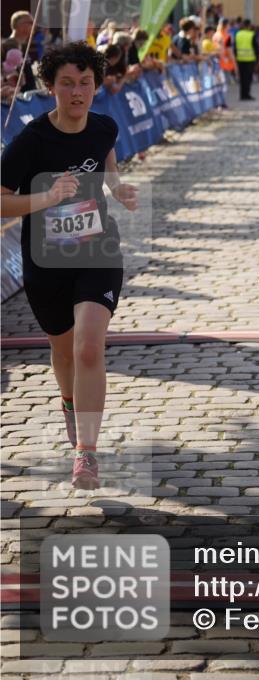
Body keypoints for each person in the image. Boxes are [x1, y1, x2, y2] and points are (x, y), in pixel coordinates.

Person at [0, 42, 138, 489]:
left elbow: (107, 167)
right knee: (63, 351)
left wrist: (119, 190)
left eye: (85, 83)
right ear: (50, 88)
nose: (77, 92)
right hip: (47, 261)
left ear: (97, 85)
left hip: (98, 250)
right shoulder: (31, 140)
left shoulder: (104, 127)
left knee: (88, 347)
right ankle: (69, 403)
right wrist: (46, 198)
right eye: (66, 84)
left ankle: (87, 455)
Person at [234, 18, 258, 100]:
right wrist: (257, 60)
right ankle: (247, 94)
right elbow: (256, 48)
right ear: (249, 25)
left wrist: (235, 58)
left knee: (242, 78)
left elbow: (235, 47)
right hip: (249, 60)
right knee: (248, 78)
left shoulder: (237, 34)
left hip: (240, 59)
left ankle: (242, 95)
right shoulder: (251, 34)